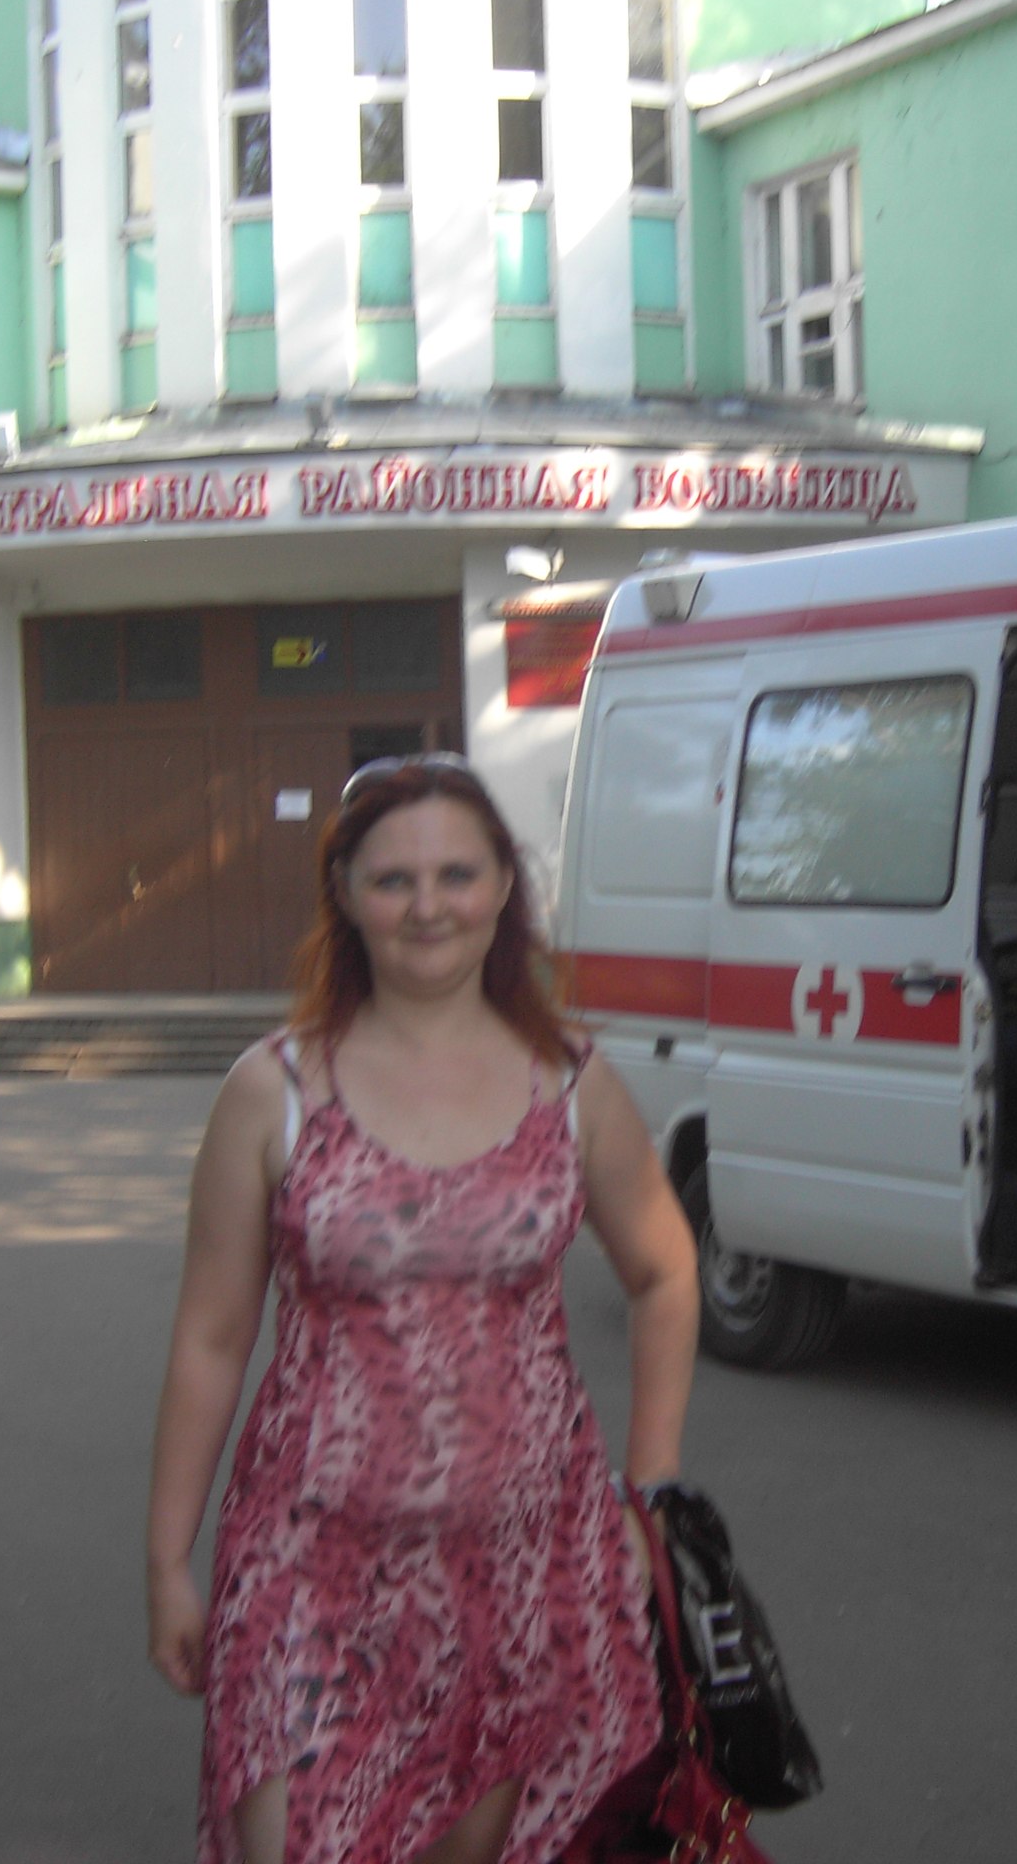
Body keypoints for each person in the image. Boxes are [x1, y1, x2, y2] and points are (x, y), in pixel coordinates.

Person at [146, 754, 700, 1864]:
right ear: (346, 895)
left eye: (457, 874)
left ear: (503, 886)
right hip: (311, 1566)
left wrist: (648, 1494)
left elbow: (665, 1273)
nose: (428, 906)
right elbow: (212, 1338)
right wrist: (166, 1558)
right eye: (393, 879)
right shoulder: (273, 1090)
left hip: (524, 1572)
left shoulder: (571, 1082)